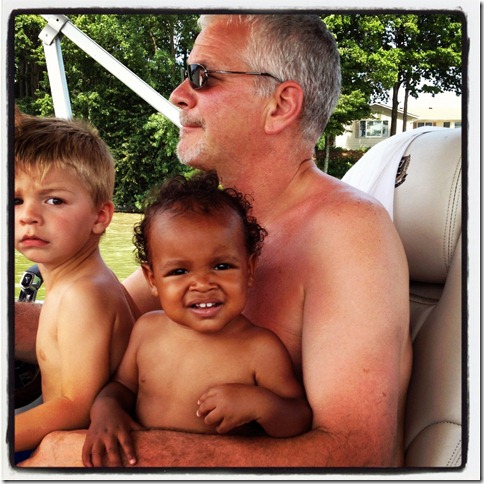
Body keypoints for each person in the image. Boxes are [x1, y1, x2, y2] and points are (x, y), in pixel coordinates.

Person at [17, 13, 412, 468]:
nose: (178, 94)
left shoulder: (346, 232)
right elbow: (95, 324)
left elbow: (358, 454)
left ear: (280, 105)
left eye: (201, 76)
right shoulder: (208, 228)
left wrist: (68, 453)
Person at [81, 171, 312, 466]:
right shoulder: (147, 330)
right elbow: (121, 388)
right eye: (179, 271)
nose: (202, 284)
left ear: (249, 270)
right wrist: (106, 411)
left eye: (221, 266)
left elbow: (298, 418)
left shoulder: (260, 349)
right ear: (152, 279)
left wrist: (261, 405)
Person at [13, 116, 136, 456]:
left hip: (73, 450)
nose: (28, 215)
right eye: (15, 200)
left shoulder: (83, 294)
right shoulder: (80, 280)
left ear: (100, 217)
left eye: (54, 200)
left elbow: (77, 407)